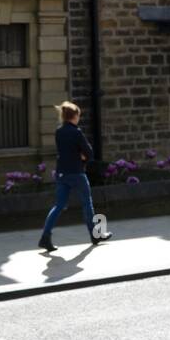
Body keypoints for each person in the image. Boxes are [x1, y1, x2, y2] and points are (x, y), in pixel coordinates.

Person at [38, 101, 112, 252]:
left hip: (61, 173)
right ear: (75, 116)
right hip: (76, 173)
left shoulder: (59, 131)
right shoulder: (76, 132)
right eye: (78, 115)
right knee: (87, 203)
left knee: (58, 206)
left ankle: (45, 237)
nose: (79, 118)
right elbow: (89, 153)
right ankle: (95, 234)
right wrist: (82, 156)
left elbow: (65, 150)